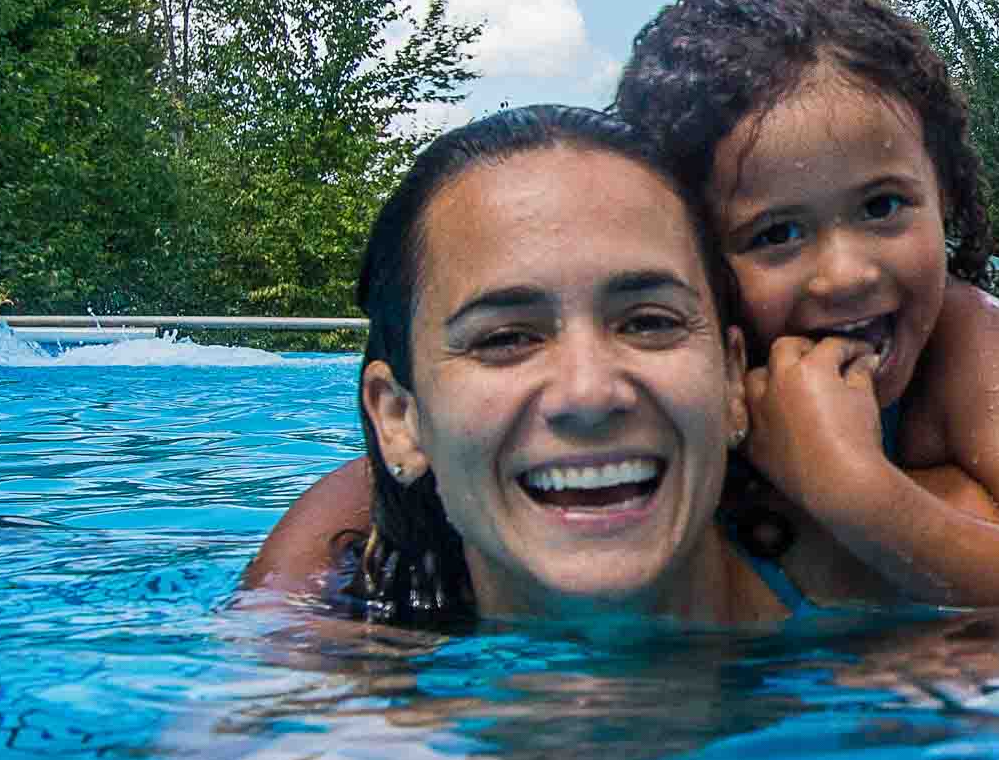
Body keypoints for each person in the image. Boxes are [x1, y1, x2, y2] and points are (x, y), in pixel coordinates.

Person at [249, 0, 999, 609]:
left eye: (884, 206)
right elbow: (393, 486)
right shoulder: (448, 445)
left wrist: (858, 492)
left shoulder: (970, 344)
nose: (849, 272)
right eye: (776, 234)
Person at [291, 104, 792, 628]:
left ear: (732, 379)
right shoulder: (308, 676)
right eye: (505, 338)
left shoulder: (876, 644)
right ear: (398, 420)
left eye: (648, 323)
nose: (589, 394)